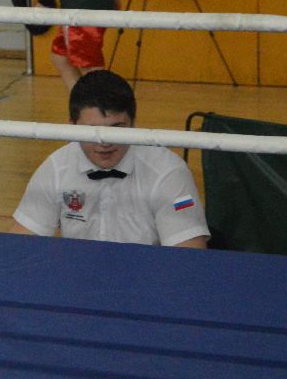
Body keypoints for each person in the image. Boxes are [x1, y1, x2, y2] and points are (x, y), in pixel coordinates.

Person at [11, 70, 209, 248]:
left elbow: (189, 257)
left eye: (116, 129)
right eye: (94, 131)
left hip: (147, 281)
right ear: (70, 127)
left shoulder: (168, 172)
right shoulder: (56, 167)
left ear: (133, 124)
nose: (104, 142)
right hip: (77, 279)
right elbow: (19, 246)